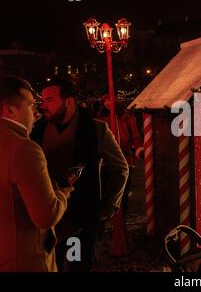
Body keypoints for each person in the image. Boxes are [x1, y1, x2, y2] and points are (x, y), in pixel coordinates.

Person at [31, 78, 129, 272]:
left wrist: (107, 207)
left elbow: (120, 169)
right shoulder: (36, 130)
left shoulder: (96, 130)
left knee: (78, 266)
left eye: (49, 100)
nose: (43, 106)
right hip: (46, 218)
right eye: (42, 101)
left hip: (81, 217)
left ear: (68, 102)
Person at [0, 75, 72, 271]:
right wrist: (63, 193)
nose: (36, 112)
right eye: (31, 106)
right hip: (23, 260)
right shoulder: (23, 149)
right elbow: (46, 216)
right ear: (10, 110)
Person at [96, 94, 144, 212]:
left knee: (123, 190)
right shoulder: (101, 119)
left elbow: (135, 135)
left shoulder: (126, 117)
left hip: (125, 158)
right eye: (105, 101)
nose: (107, 103)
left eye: (110, 100)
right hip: (105, 162)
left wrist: (139, 148)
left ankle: (122, 219)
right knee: (107, 192)